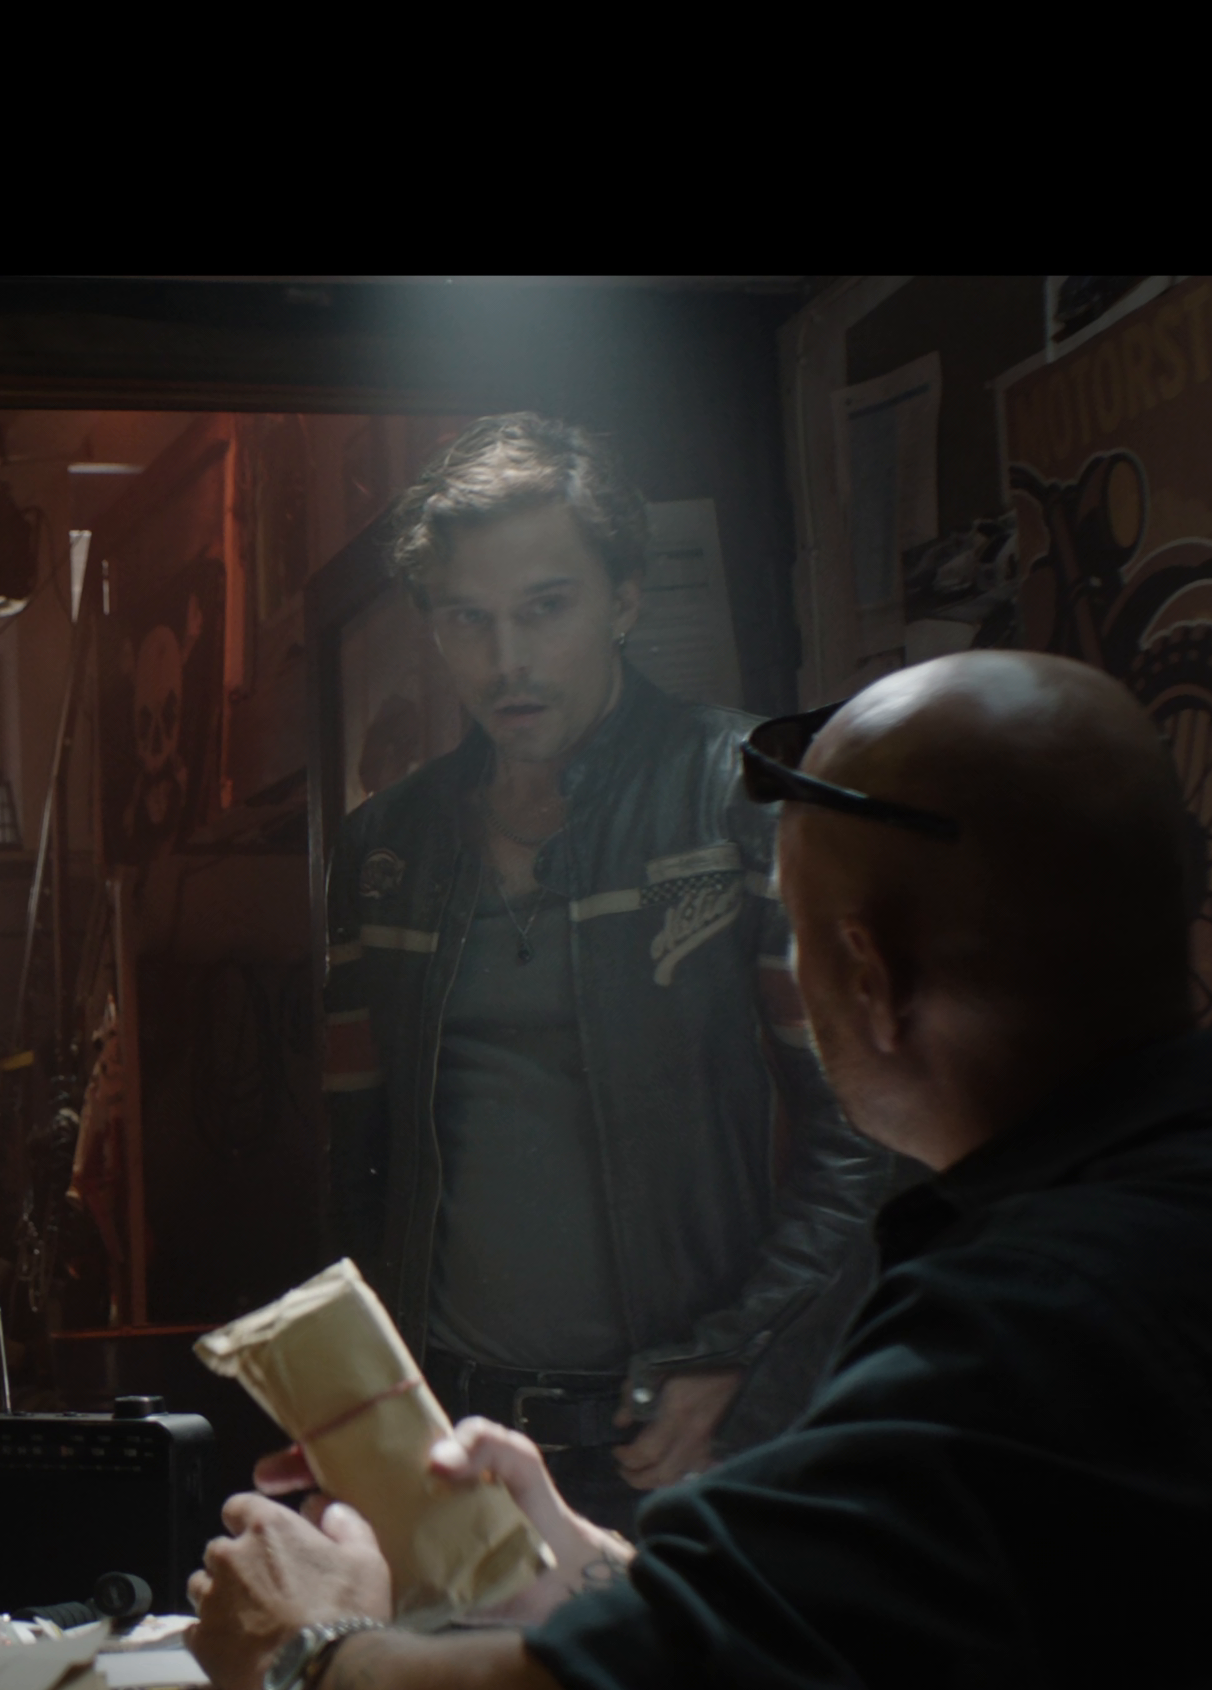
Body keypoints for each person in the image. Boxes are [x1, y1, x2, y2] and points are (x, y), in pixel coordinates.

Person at [198, 651, 1212, 1690]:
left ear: (874, 975)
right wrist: (586, 1568)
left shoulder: (1051, 1317)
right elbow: (888, 1628)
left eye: (794, 937)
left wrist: (318, 1645)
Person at [324, 415, 885, 1532]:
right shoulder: (388, 848)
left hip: (681, 1436)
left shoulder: (748, 796)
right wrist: (366, 1407)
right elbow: (356, 1160)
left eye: (547, 607)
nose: (508, 661)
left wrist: (739, 1355)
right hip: (455, 1446)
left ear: (624, 599)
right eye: (468, 619)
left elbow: (864, 1133)